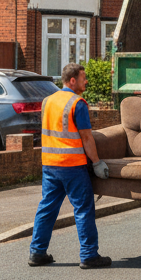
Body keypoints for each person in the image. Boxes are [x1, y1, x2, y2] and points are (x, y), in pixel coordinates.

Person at [28, 62, 111, 269]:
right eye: (84, 78)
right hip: (72, 166)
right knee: (83, 209)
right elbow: (86, 138)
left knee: (47, 208)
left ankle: (37, 252)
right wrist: (97, 163)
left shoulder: (47, 101)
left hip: (49, 164)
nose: (86, 81)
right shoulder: (77, 103)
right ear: (72, 80)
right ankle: (89, 255)